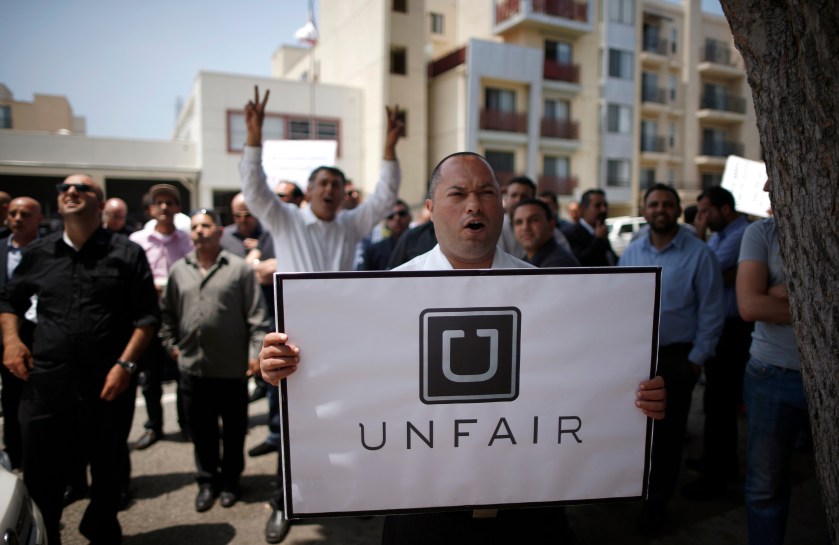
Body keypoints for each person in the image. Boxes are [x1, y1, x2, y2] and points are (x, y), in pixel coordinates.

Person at [259, 152, 667, 545]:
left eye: (487, 192)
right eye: (458, 194)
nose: (475, 204)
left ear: (502, 207)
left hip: (530, 515)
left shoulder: (553, 294)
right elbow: (344, 383)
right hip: (421, 515)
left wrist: (635, 399)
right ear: (432, 208)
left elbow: (589, 384)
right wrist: (287, 367)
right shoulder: (382, 296)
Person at [240, 85, 403, 543]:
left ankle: (345, 496)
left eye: (336, 184)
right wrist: (254, 137)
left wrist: (389, 148)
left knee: (346, 420)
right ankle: (282, 502)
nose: (329, 190)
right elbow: (253, 188)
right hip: (295, 343)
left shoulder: (352, 223)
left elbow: (385, 196)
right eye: (322, 183)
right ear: (310, 190)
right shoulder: (285, 219)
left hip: (346, 343)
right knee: (293, 427)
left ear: (343, 194)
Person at [0, 174, 159, 545]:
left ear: (100, 204)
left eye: (82, 188)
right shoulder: (39, 253)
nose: (70, 192)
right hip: (47, 383)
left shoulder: (125, 252)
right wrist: (10, 341)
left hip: (107, 384)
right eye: (63, 189)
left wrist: (126, 365)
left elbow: (148, 317)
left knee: (109, 470)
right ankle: (47, 532)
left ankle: (100, 527)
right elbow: (9, 300)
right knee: (41, 473)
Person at [618, 183, 724, 535]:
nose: (660, 209)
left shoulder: (700, 254)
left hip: (678, 359)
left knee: (668, 437)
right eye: (653, 204)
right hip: (636, 357)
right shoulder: (631, 253)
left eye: (667, 204)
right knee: (636, 433)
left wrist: (695, 360)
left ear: (678, 210)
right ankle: (634, 492)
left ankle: (657, 505)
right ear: (645, 210)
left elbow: (712, 311)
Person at [159, 209, 269, 512]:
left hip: (231, 369)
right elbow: (167, 313)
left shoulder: (239, 270)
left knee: (234, 432)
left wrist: (253, 355)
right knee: (202, 431)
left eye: (206, 226)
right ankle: (207, 481)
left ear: (219, 232)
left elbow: (257, 318)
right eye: (194, 226)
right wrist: (172, 346)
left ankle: (231, 482)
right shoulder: (179, 270)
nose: (199, 231)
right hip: (193, 369)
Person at [737, 180, 807, 545]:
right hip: (771, 373)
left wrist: (779, 293)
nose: (766, 186)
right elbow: (750, 306)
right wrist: (816, 300)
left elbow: (762, 301)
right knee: (765, 487)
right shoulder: (760, 233)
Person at [682, 186, 753, 500]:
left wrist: (697, 234)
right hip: (722, 328)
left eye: (707, 211)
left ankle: (718, 474)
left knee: (721, 402)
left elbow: (706, 267)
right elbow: (716, 274)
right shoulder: (722, 235)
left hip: (734, 330)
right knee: (714, 401)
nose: (703, 217)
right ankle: (718, 461)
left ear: (726, 209)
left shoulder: (741, 235)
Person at [129, 184, 194, 450]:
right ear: (151, 209)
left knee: (183, 374)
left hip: (179, 317)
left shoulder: (188, 240)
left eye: (171, 202)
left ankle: (186, 423)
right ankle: (154, 425)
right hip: (148, 317)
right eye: (160, 203)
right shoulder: (137, 242)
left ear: (178, 208)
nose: (165, 207)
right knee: (151, 376)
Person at [220, 192, 276, 406]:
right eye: (238, 215)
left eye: (248, 214)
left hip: (267, 312)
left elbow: (272, 271)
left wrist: (253, 263)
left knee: (271, 373)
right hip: (234, 313)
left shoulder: (270, 232)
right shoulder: (224, 237)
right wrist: (253, 264)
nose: (243, 219)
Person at [0, 197, 43, 470]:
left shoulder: (50, 251)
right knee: (11, 400)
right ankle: (14, 455)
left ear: (39, 218)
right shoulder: (0, 249)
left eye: (24, 214)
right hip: (7, 340)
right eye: (13, 213)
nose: (17, 219)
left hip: (42, 338)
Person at [512, 198, 580, 267]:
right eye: (519, 222)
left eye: (534, 220)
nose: (525, 227)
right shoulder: (524, 261)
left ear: (551, 225)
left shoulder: (561, 266)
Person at [561, 189, 618, 266]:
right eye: (597, 206)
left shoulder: (601, 231)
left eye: (605, 205)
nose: (603, 210)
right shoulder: (570, 233)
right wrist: (598, 239)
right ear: (583, 209)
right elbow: (578, 262)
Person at [357, 199, 412, 270]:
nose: (397, 218)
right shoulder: (373, 251)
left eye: (401, 214)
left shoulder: (423, 245)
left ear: (410, 217)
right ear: (386, 221)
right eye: (391, 216)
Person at [498, 175, 536, 258]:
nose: (518, 200)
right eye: (514, 195)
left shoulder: (547, 230)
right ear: (506, 199)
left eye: (524, 196)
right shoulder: (495, 226)